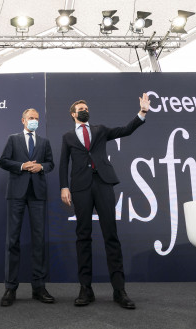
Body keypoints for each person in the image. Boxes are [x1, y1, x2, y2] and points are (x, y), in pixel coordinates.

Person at [59, 94, 150, 309]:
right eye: (81, 108)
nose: (85, 109)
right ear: (73, 114)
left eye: (86, 107)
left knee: (111, 235)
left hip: (103, 184)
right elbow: (63, 164)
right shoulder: (67, 137)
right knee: (83, 237)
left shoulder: (99, 130)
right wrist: (64, 186)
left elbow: (125, 130)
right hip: (80, 188)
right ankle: (85, 289)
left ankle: (119, 291)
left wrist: (142, 112)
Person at [0, 108, 55, 306]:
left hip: (38, 194)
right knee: (12, 241)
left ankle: (39, 287)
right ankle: (10, 288)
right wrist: (22, 166)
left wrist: (41, 167)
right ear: (23, 120)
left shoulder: (44, 142)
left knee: (39, 241)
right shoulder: (13, 139)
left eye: (36, 119)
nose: (34, 121)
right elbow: (3, 161)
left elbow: (50, 164)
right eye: (31, 118)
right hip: (16, 194)